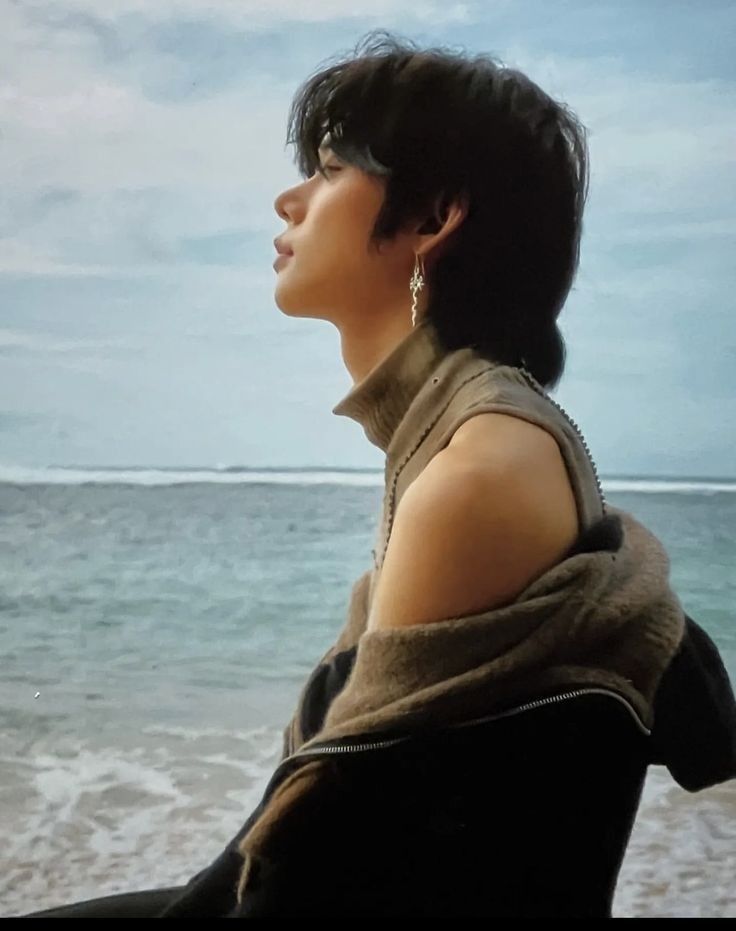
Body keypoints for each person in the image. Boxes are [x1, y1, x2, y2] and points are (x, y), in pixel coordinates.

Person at [22, 29, 736, 919]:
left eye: (326, 171)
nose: (288, 200)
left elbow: (338, 853)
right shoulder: (461, 435)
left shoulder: (479, 468)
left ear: (434, 219)